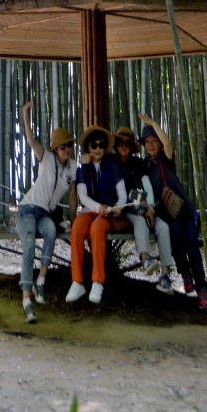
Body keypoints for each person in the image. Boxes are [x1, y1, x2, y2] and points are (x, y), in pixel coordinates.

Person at [139, 113, 207, 309]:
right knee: (175, 237)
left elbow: (168, 144)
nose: (152, 145)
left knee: (192, 246)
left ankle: (202, 288)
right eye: (148, 141)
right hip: (166, 214)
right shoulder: (144, 167)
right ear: (144, 145)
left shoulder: (165, 159)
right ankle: (185, 273)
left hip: (184, 211)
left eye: (155, 140)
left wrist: (153, 123)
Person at [17, 101, 77, 323]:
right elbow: (31, 140)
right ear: (54, 148)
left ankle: (40, 280)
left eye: (69, 145)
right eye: (62, 146)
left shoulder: (73, 166)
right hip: (27, 210)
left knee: (51, 231)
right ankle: (26, 300)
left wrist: (73, 223)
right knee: (30, 245)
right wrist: (25, 114)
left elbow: (72, 197)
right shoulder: (46, 157)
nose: (66, 150)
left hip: (46, 215)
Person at [66, 125, 127, 306]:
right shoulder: (82, 169)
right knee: (77, 227)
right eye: (94, 145)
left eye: (101, 145)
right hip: (90, 210)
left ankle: (98, 282)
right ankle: (77, 282)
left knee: (97, 228)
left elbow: (122, 193)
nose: (98, 148)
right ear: (88, 148)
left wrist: (117, 206)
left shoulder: (113, 167)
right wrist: (98, 207)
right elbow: (83, 197)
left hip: (108, 213)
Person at [113, 126, 174, 294]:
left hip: (141, 204)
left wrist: (151, 208)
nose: (123, 146)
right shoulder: (110, 161)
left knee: (163, 227)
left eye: (127, 143)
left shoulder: (138, 163)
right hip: (121, 209)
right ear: (115, 145)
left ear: (132, 147)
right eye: (120, 143)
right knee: (140, 221)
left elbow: (146, 184)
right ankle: (145, 259)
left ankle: (166, 276)